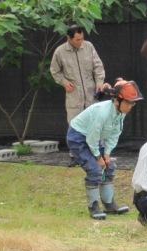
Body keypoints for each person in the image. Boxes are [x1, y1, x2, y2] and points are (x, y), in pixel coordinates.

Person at [67, 79, 143, 219]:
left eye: (133, 102)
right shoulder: (102, 113)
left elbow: (115, 134)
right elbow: (91, 138)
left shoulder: (121, 113)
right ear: (117, 100)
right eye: (129, 102)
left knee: (109, 166)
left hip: (93, 139)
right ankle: (93, 207)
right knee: (95, 169)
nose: (132, 105)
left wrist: (107, 154)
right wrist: (98, 157)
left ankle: (109, 204)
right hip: (78, 137)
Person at [50, 24, 106, 166]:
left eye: (81, 39)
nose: (80, 42)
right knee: (75, 124)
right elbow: (54, 70)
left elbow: (98, 66)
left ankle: (96, 154)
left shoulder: (89, 47)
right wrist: (64, 82)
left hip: (90, 93)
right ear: (69, 38)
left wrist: (99, 81)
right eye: (77, 39)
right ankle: (75, 156)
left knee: (94, 123)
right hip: (74, 94)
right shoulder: (60, 52)